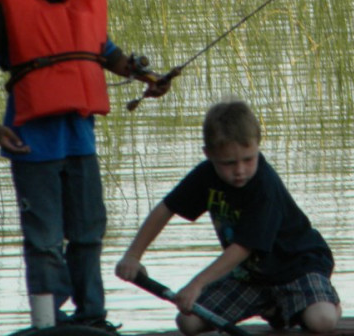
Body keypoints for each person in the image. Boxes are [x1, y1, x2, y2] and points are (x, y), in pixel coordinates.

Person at [0, 0, 170, 332]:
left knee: (89, 230)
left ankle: (93, 319)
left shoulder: (83, 10)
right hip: (32, 145)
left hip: (79, 141)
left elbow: (108, 56)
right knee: (43, 240)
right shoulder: (4, 15)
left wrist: (144, 75)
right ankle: (49, 323)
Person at [115, 99, 341, 335]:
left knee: (322, 321)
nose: (240, 170)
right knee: (188, 322)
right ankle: (274, 308)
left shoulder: (264, 185)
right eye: (229, 163)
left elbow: (243, 247)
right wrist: (133, 255)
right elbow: (165, 209)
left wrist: (196, 284)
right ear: (208, 154)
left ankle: (329, 302)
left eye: (248, 159)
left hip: (297, 267)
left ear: (258, 146)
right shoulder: (205, 175)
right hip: (250, 276)